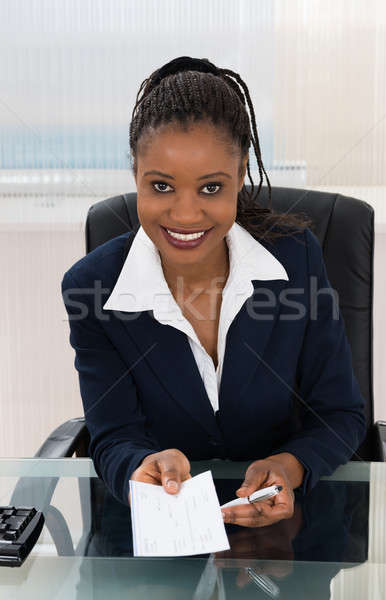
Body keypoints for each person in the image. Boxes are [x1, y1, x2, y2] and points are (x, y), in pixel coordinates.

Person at [62, 56, 366, 529]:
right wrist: (140, 466)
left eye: (210, 187)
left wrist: (290, 466)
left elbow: (339, 412)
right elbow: (112, 435)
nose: (185, 215)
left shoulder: (297, 260)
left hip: (292, 537)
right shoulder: (92, 288)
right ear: (135, 174)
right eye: (161, 185)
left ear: (240, 173)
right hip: (159, 543)